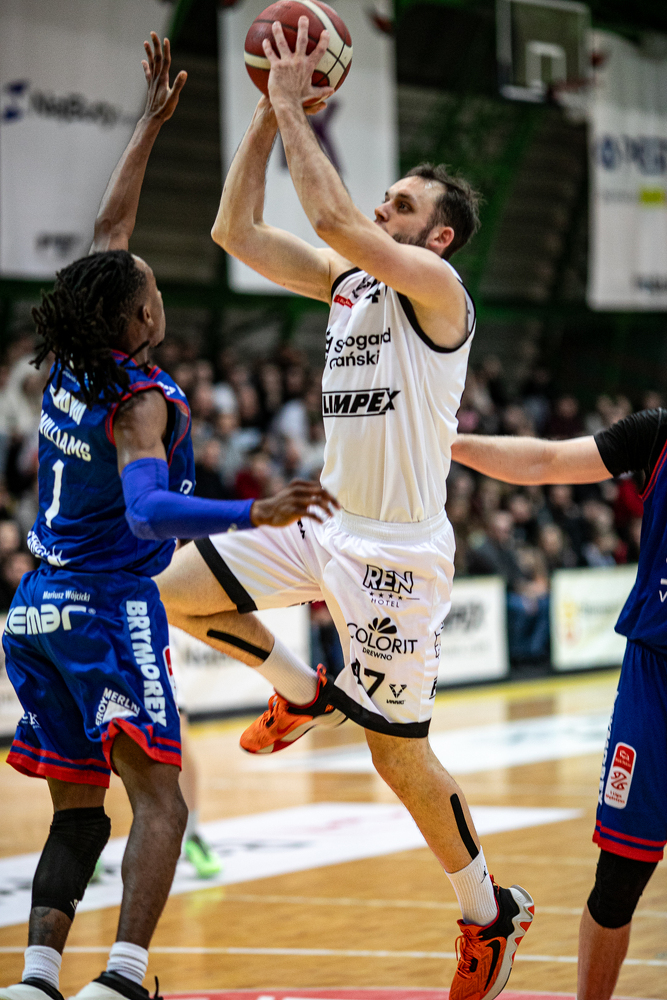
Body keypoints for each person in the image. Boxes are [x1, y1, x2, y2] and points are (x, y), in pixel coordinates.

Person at [155, 18, 534, 1000]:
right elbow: (235, 234)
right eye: (385, 195)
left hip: (396, 553)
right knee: (173, 589)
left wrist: (289, 101)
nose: (380, 205)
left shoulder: (439, 291)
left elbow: (330, 221)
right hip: (323, 519)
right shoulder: (348, 283)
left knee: (397, 758)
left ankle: (488, 910)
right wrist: (262, 117)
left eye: (401, 203)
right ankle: (299, 689)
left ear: (437, 235)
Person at [0, 34, 333, 1000]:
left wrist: (147, 125)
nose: (150, 280)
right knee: (162, 803)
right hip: (106, 608)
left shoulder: (73, 356)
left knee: (78, 812)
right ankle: (125, 977)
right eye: (148, 285)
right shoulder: (138, 401)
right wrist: (254, 509)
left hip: (36, 609)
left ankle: (35, 979)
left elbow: (110, 224)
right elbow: (148, 512)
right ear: (139, 320)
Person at [451, 413, 667, 1000]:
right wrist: (450, 444)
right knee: (618, 883)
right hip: (655, 675)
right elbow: (545, 461)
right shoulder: (658, 436)